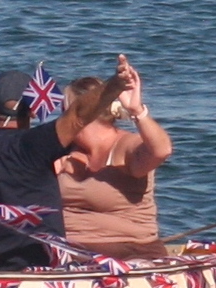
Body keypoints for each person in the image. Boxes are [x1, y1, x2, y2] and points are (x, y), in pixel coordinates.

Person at [0, 69, 103, 274]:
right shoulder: (36, 145)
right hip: (43, 267)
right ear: (33, 111)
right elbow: (78, 116)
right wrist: (117, 85)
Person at [58, 59, 172, 261]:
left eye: (63, 110)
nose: (59, 118)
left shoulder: (126, 147)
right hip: (66, 251)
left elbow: (161, 151)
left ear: (80, 113)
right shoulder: (62, 150)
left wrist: (137, 111)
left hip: (129, 252)